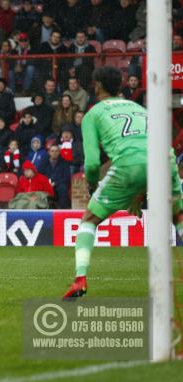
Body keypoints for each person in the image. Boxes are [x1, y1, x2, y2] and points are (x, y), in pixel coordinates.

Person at [63, 66, 183, 299]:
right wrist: (139, 193)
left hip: (129, 165)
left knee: (89, 220)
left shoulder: (93, 114)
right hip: (165, 159)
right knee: (178, 217)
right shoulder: (140, 108)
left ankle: (80, 279)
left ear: (97, 85)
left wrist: (91, 185)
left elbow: (92, 163)